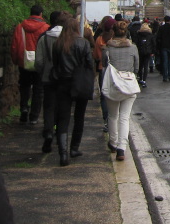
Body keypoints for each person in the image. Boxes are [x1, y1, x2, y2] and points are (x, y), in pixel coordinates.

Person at [51, 12, 94, 166]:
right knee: (79, 116)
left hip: (63, 82)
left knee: (63, 118)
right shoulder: (83, 43)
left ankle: (63, 154)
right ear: (76, 28)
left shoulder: (58, 43)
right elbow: (90, 64)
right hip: (80, 82)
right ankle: (74, 148)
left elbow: (55, 64)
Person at [103, 19, 139, 161]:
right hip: (129, 84)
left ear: (113, 32)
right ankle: (121, 149)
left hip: (113, 84)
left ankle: (112, 142)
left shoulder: (107, 48)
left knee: (113, 116)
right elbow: (137, 67)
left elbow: (104, 65)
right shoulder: (133, 48)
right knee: (124, 117)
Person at [10, 4, 50, 125]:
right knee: (38, 89)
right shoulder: (46, 28)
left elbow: (14, 46)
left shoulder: (20, 27)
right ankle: (34, 116)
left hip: (24, 61)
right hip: (39, 62)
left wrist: (16, 60)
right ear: (41, 14)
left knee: (24, 86)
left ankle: (23, 108)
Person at [34, 11, 63, 153]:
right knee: (62, 107)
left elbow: (38, 61)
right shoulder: (68, 38)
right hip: (64, 78)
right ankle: (60, 135)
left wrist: (43, 72)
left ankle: (48, 133)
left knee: (49, 107)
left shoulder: (43, 38)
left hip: (47, 78)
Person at [93, 16, 115, 132]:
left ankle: (106, 119)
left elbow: (96, 56)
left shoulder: (99, 39)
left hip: (102, 68)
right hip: (116, 71)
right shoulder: (116, 41)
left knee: (104, 94)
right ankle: (114, 119)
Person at [135, 21, 155, 87]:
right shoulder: (150, 35)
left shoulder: (139, 34)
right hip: (148, 52)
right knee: (146, 66)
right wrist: (152, 52)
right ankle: (144, 80)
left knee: (140, 66)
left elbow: (136, 43)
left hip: (140, 51)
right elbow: (153, 44)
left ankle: (140, 78)